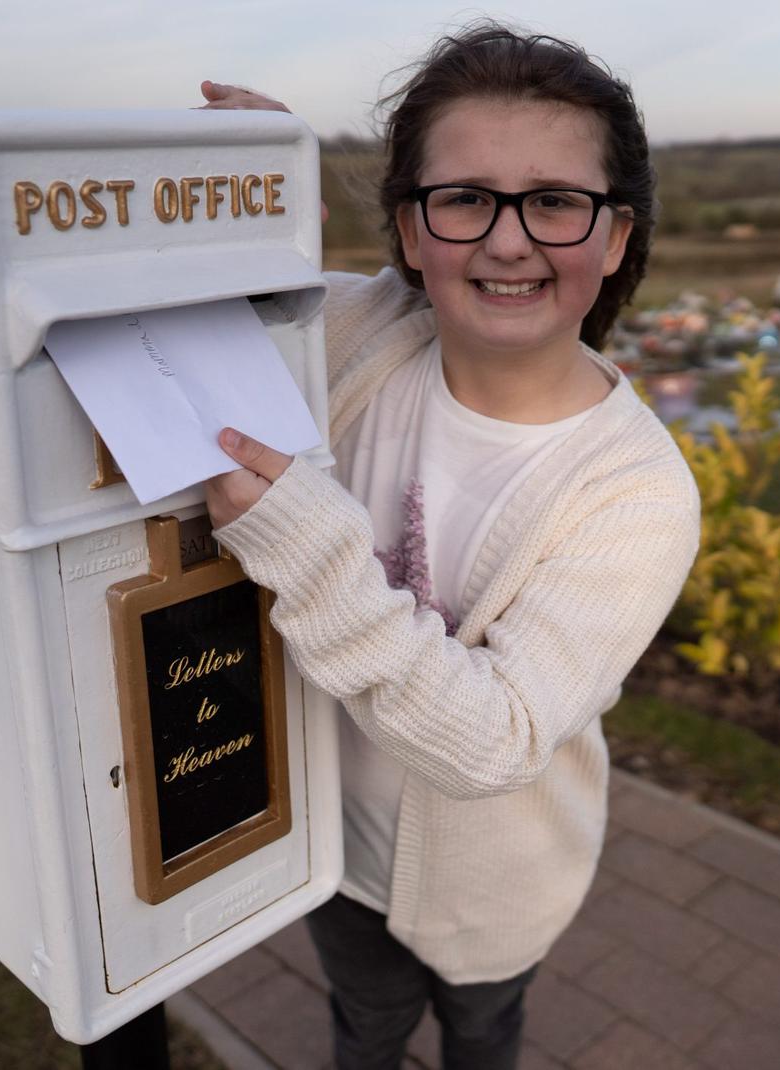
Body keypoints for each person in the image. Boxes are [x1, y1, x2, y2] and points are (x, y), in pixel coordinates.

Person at [199, 22, 700, 1069]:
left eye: (556, 201)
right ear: (410, 229)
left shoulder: (637, 492)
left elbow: (498, 738)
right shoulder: (355, 333)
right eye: (464, 198)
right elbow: (238, 300)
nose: (507, 241)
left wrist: (306, 542)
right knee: (365, 1023)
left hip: (497, 885)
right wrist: (257, 185)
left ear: (614, 239)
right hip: (331, 845)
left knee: (483, 1033)